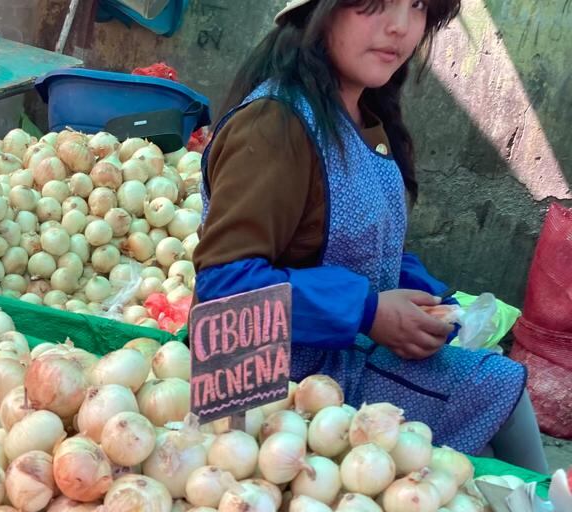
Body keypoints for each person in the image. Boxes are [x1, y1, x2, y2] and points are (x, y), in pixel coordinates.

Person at [193, 0, 549, 472]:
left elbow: (365, 242)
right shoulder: (275, 125)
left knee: (485, 427)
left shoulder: (359, 116)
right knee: (498, 387)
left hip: (340, 353)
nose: (400, 27)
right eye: (375, 2)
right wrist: (367, 311)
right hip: (279, 387)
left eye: (417, 7)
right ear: (320, 11)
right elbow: (223, 289)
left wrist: (429, 300)